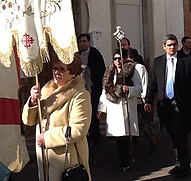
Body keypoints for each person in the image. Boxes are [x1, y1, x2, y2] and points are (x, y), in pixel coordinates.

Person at [22, 53, 92, 181]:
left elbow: (78, 130)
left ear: (73, 73)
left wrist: (47, 138)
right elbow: (28, 121)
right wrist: (32, 101)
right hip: (45, 160)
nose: (56, 72)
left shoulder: (80, 95)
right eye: (54, 68)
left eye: (62, 69)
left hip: (67, 160)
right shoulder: (46, 91)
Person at [144, 34, 191, 179]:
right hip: (165, 105)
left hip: (181, 105)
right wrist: (148, 100)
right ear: (164, 47)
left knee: (180, 135)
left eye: (174, 44)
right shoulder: (159, 62)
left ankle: (185, 167)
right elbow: (153, 83)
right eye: (169, 45)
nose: (172, 47)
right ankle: (179, 162)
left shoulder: (186, 61)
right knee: (172, 135)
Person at [97, 49, 142, 172]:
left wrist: (130, 90)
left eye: (119, 58)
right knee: (118, 137)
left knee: (126, 135)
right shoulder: (109, 73)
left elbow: (139, 87)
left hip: (126, 106)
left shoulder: (132, 71)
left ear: (124, 59)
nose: (117, 61)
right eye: (115, 59)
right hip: (114, 107)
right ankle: (123, 159)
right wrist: (101, 108)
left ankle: (126, 160)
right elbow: (104, 91)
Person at [78, 33, 106, 164]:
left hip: (93, 90)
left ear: (89, 42)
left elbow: (100, 72)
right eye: (81, 41)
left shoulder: (95, 54)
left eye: (84, 41)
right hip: (81, 90)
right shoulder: (77, 55)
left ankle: (95, 141)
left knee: (94, 116)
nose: (83, 44)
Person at [126, 48, 156, 153]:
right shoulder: (126, 68)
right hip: (130, 99)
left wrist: (145, 97)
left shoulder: (140, 67)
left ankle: (153, 141)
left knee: (143, 124)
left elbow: (145, 82)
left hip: (139, 99)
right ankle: (131, 147)